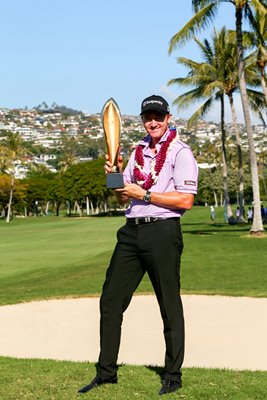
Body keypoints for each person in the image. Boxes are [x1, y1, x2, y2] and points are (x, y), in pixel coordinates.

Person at [78, 95, 198, 396]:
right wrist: (115, 179)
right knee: (110, 302)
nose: (153, 122)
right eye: (148, 117)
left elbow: (185, 200)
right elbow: (122, 196)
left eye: (158, 116)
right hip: (131, 232)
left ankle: (172, 375)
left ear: (168, 118)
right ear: (143, 120)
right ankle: (106, 374)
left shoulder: (181, 152)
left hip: (163, 232)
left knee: (168, 305)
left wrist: (144, 194)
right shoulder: (138, 152)